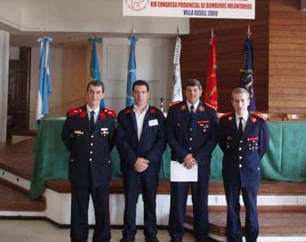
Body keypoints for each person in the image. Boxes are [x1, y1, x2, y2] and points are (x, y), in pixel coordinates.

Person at [61, 80, 116, 242]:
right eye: (91, 91)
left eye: (98, 92)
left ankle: (102, 239)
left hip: (101, 171)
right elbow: (66, 138)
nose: (94, 95)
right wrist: (80, 153)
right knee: (79, 211)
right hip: (80, 170)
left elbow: (111, 142)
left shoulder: (110, 117)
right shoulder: (74, 115)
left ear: (103, 95)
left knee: (102, 211)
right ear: (87, 93)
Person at [167, 78, 218, 242]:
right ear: (184, 92)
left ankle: (201, 236)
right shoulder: (175, 111)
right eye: (189, 90)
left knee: (200, 201)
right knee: (177, 201)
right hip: (180, 163)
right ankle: (176, 235)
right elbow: (170, 136)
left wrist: (196, 157)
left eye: (195, 90)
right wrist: (184, 156)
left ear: (201, 92)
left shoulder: (209, 112)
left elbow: (213, 139)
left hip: (200, 164)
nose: (192, 93)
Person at [116, 80, 166, 242]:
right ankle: (128, 236)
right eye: (137, 92)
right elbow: (120, 141)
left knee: (150, 202)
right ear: (132, 94)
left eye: (143, 92)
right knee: (130, 202)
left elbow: (161, 141)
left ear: (148, 94)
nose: (140, 95)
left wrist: (146, 161)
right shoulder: (124, 115)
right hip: (131, 167)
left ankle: (151, 235)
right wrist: (134, 161)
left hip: (150, 168)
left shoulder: (157, 114)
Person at [216, 87, 269, 242]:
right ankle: (234, 238)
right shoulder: (225, 121)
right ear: (232, 102)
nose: (240, 104)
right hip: (231, 170)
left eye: (243, 100)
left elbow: (263, 147)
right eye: (237, 101)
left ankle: (252, 238)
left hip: (251, 171)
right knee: (232, 207)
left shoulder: (258, 122)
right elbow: (221, 142)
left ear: (248, 102)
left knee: (251, 207)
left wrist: (250, 161)